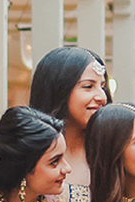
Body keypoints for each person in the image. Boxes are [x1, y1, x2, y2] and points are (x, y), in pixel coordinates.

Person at [29, 46, 111, 185]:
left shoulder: (110, 151)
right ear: (59, 90)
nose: (102, 97)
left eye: (102, 87)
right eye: (88, 86)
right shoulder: (27, 152)